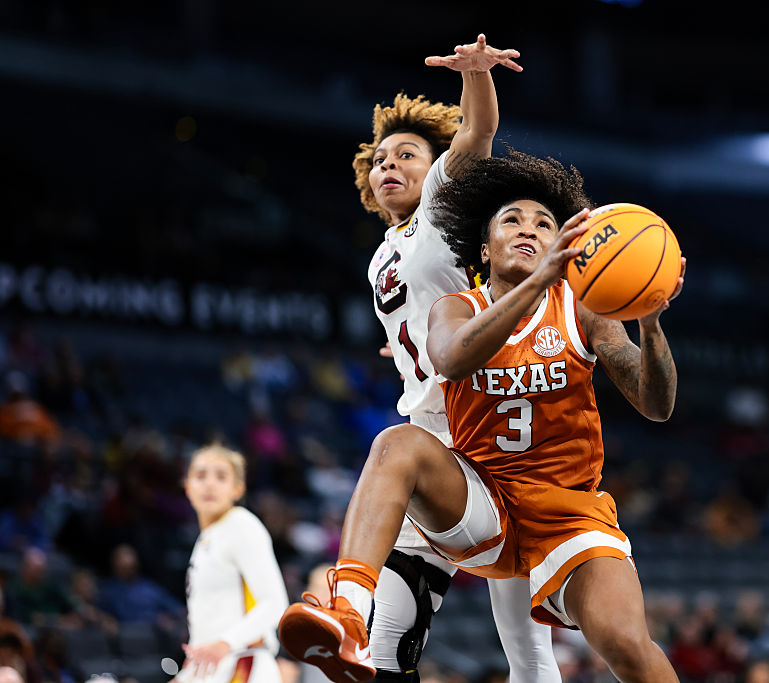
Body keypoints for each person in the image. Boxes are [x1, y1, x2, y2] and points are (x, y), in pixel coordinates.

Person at [279, 151, 685, 682]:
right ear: (484, 247)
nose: (529, 229)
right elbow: (451, 358)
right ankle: (349, 612)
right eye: (511, 219)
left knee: (627, 644)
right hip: (484, 503)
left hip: (568, 517)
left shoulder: (582, 307)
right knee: (397, 444)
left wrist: (650, 325)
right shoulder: (455, 307)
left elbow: (657, 406)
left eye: (544, 223)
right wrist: (538, 281)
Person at [290, 34, 558, 682]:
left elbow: (478, 132)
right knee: (384, 657)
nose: (389, 165)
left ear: (434, 166)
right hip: (438, 442)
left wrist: (476, 76)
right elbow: (428, 313)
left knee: (529, 654)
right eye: (379, 159)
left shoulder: (442, 202)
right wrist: (409, 347)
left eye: (407, 154)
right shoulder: (381, 254)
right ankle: (348, 615)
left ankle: (344, 604)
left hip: (493, 444)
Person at [178, 444, 289, 683]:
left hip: (244, 663)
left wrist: (225, 643)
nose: (209, 483)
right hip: (214, 667)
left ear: (238, 488)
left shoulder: (241, 525)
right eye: (200, 476)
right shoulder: (206, 538)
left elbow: (274, 603)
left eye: (220, 476)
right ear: (187, 486)